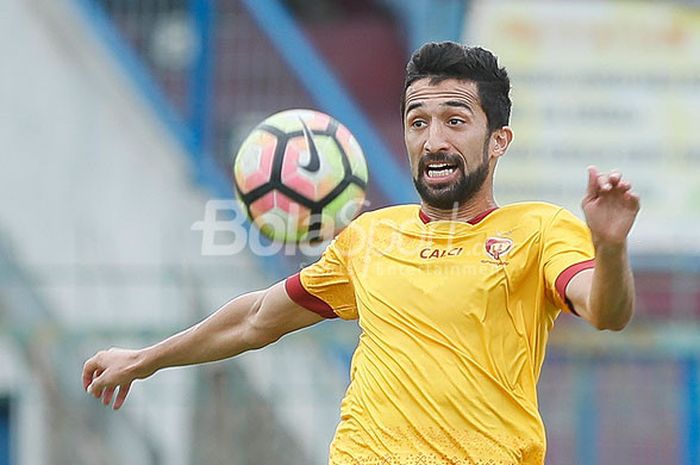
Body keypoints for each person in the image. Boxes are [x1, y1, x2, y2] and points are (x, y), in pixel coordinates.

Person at [82, 42, 640, 465]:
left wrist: (610, 246)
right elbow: (256, 318)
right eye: (417, 121)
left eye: (455, 120)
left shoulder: (540, 230)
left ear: (499, 140)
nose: (432, 139)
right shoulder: (371, 236)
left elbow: (606, 312)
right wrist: (145, 358)